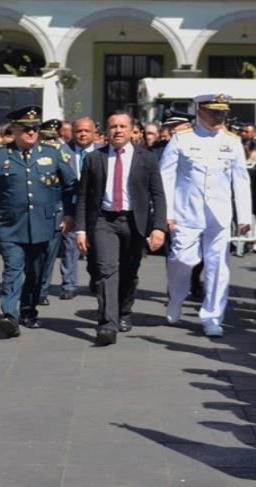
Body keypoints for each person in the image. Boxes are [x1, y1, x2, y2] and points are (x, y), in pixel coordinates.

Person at [0, 105, 77, 337]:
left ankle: (28, 310)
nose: (31, 132)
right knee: (12, 269)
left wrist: (69, 214)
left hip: (45, 225)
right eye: (26, 129)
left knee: (36, 272)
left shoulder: (51, 154)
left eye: (35, 128)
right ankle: (10, 314)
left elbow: (71, 185)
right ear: (15, 129)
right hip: (11, 226)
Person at [161, 94, 252, 337]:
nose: (219, 116)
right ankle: (176, 297)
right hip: (186, 212)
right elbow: (166, 178)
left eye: (222, 112)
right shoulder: (182, 139)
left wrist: (244, 217)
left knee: (218, 267)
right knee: (182, 259)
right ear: (200, 111)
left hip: (219, 215)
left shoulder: (232, 141)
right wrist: (166, 213)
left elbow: (241, 180)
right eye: (214, 111)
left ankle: (212, 316)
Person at [75, 111, 166, 346]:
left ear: (131, 130)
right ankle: (107, 324)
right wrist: (81, 229)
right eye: (113, 126)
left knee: (129, 272)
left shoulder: (147, 158)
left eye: (122, 126)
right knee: (106, 269)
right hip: (104, 221)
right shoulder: (94, 158)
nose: (117, 130)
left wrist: (158, 228)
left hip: (134, 223)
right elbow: (83, 196)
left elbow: (158, 194)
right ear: (106, 131)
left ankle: (124, 311)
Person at [60, 117, 99, 300]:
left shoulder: (103, 152)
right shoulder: (61, 151)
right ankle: (69, 284)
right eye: (78, 131)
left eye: (86, 131)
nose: (82, 134)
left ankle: (97, 280)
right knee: (70, 246)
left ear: (94, 133)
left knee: (97, 247)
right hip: (71, 206)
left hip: (97, 209)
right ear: (72, 132)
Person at [37, 118, 66, 305]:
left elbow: (69, 185)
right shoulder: (34, 155)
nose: (51, 142)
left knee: (49, 257)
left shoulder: (61, 156)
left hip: (55, 212)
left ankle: (42, 291)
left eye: (54, 138)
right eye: (47, 138)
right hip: (35, 213)